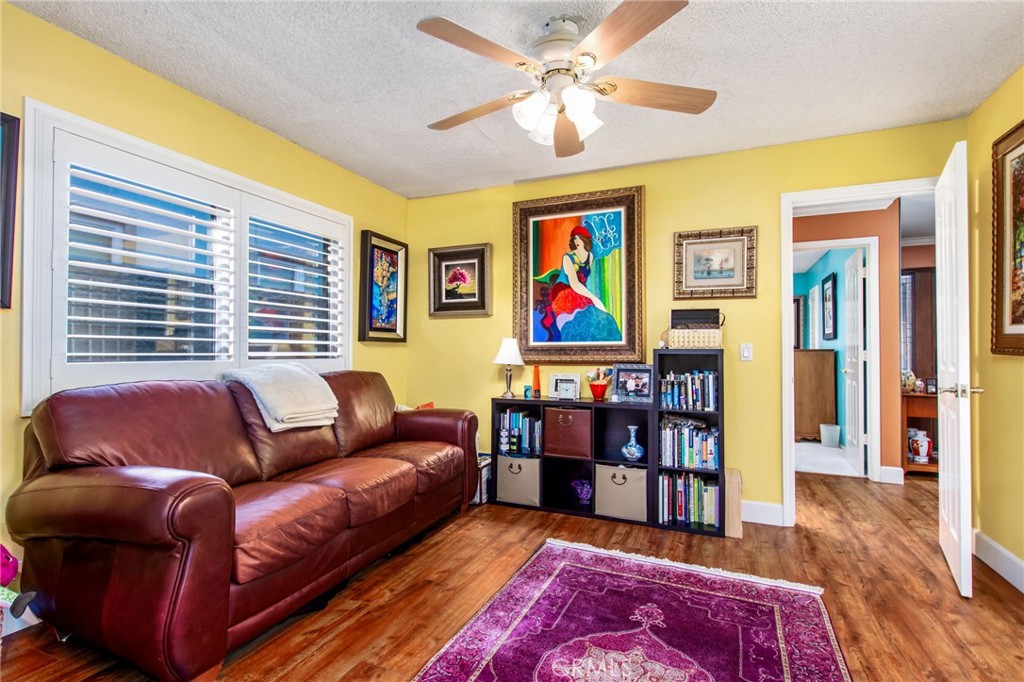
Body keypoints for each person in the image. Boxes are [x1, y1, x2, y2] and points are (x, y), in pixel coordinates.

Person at [539, 226, 619, 342]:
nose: (577, 241)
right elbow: (575, 284)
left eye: (579, 238)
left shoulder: (590, 256)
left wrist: (592, 297)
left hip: (581, 291)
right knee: (584, 317)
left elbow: (584, 280)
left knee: (600, 318)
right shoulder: (568, 257)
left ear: (585, 239)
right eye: (574, 238)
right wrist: (594, 299)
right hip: (564, 292)